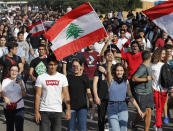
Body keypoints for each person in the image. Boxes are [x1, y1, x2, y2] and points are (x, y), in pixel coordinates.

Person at [35, 54, 71, 131]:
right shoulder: (41, 77)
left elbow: (66, 94)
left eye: (54, 64)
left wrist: (68, 109)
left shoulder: (62, 77)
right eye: (51, 65)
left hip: (57, 110)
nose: (53, 67)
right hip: (44, 110)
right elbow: (37, 95)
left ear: (57, 65)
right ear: (47, 65)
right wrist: (36, 111)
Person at [106, 59, 143, 131]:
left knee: (123, 129)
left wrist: (138, 109)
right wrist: (109, 61)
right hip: (112, 107)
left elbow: (130, 97)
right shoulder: (111, 80)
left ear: (124, 71)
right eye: (117, 70)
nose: (119, 72)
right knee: (115, 129)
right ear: (114, 71)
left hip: (123, 107)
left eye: (121, 70)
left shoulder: (126, 82)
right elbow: (108, 71)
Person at [67, 59, 94, 131]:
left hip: (82, 107)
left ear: (81, 67)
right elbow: (65, 92)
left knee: (82, 128)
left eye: (77, 66)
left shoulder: (85, 77)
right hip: (71, 107)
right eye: (73, 66)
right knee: (71, 128)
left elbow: (89, 92)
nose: (75, 68)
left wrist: (92, 105)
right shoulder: (68, 78)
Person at [132, 51, 154, 131]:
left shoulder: (148, 65)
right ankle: (134, 123)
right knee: (143, 113)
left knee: (149, 111)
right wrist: (146, 79)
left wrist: (151, 78)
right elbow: (134, 78)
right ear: (149, 57)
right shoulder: (142, 67)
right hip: (141, 92)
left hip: (149, 91)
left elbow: (148, 76)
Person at [0, 64, 27, 131]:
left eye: (16, 71)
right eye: (12, 70)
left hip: (19, 107)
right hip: (8, 107)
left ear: (18, 72)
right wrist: (5, 97)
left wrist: (21, 86)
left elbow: (24, 95)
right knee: (9, 127)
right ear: (9, 71)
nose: (14, 72)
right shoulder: (5, 81)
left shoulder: (21, 81)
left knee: (19, 128)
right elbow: (1, 93)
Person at [93, 49, 113, 131]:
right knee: (101, 118)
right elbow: (94, 83)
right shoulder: (99, 68)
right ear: (105, 56)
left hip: (113, 97)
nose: (110, 56)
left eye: (112, 55)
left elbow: (113, 81)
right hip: (101, 96)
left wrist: (105, 71)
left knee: (112, 118)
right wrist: (96, 96)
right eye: (108, 55)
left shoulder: (116, 68)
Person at [151, 48, 167, 130]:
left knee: (160, 110)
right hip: (156, 90)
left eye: (165, 54)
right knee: (158, 108)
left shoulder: (166, 64)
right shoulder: (152, 65)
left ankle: (156, 123)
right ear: (158, 54)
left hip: (165, 90)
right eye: (162, 53)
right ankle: (158, 126)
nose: (164, 55)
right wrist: (150, 77)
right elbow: (147, 74)